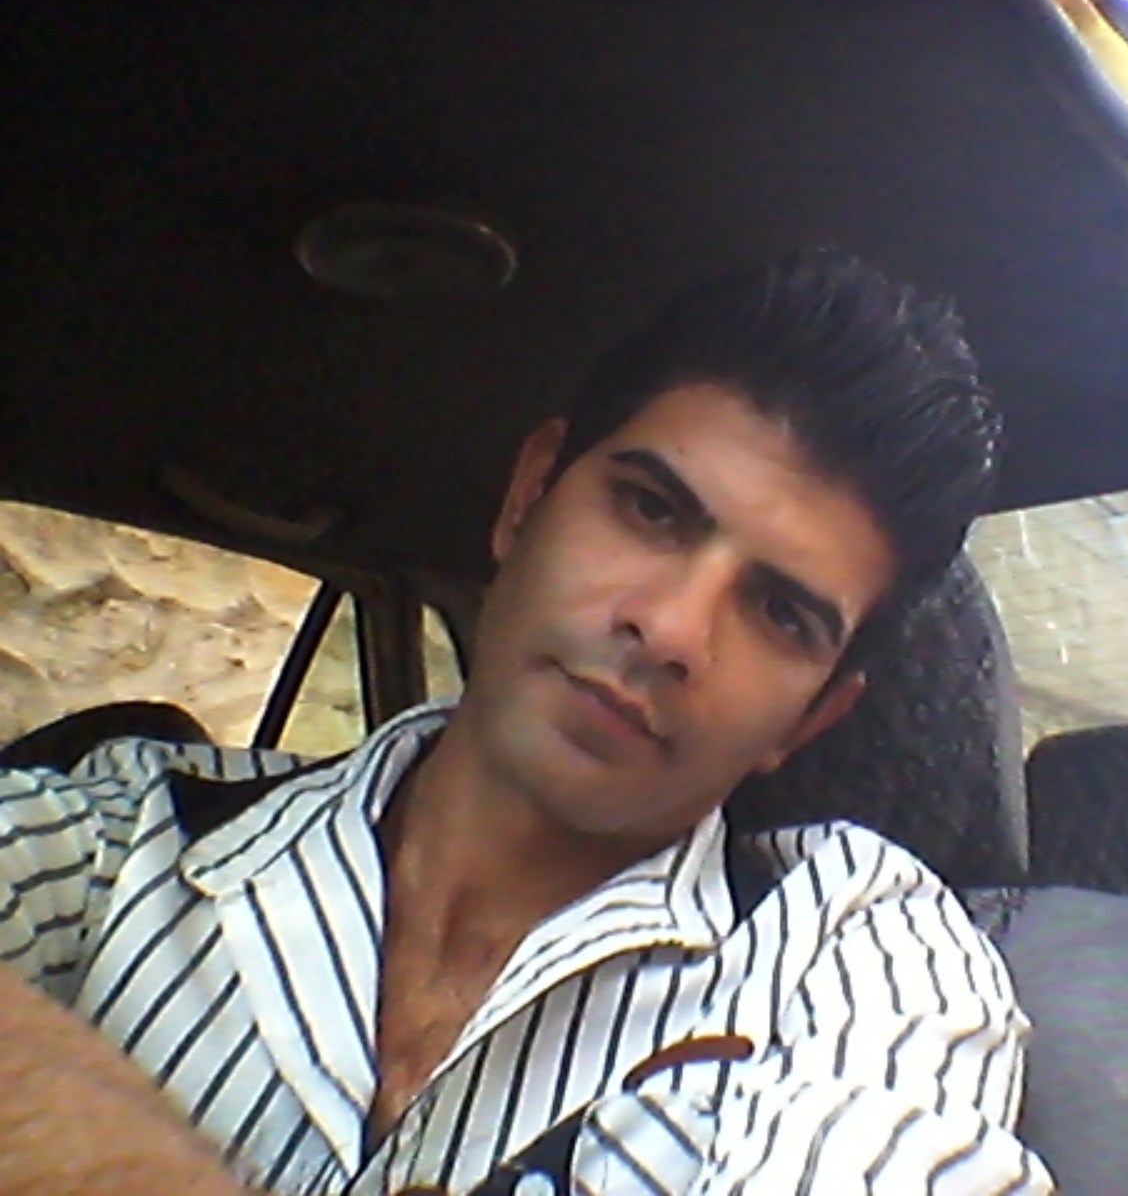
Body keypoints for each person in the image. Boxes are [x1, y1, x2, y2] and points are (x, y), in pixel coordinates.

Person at [0, 251, 1054, 1194]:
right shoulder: (127, 832)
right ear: (527, 496)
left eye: (779, 612)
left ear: (813, 717)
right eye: (649, 510)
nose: (671, 629)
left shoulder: (843, 952)